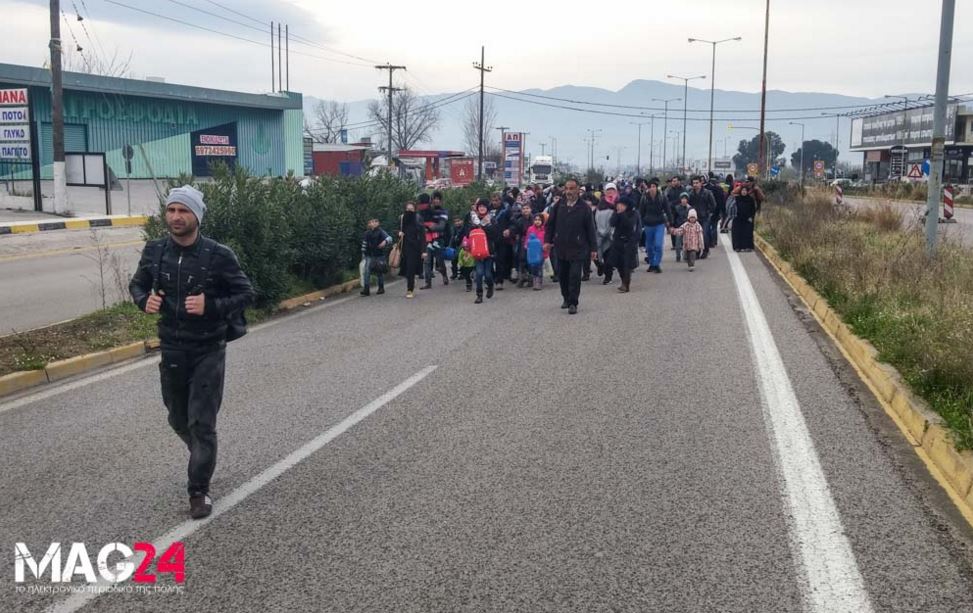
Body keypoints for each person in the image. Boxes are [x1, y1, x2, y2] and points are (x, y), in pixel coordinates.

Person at [129, 185, 255, 520]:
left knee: (201, 423)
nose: (176, 217)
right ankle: (202, 452)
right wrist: (145, 301)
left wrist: (209, 305)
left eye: (183, 211)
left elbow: (245, 293)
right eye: (171, 210)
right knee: (176, 417)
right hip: (172, 346)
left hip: (208, 349)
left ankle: (198, 490)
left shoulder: (218, 255)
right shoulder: (155, 251)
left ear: (196, 216)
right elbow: (137, 284)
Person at [545, 178, 598, 315]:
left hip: (578, 248)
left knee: (574, 276)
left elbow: (591, 229)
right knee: (563, 275)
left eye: (572, 189)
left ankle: (573, 302)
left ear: (577, 190)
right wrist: (547, 241)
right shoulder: (558, 206)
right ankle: (566, 298)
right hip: (561, 247)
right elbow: (550, 225)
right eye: (567, 189)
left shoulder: (584, 208)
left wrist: (593, 249)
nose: (568, 191)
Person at [470, 199, 500, 304]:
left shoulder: (492, 219)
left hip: (489, 250)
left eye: (484, 206)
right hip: (477, 250)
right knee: (479, 273)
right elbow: (468, 232)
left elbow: (496, 234)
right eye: (480, 206)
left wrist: (486, 226)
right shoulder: (474, 219)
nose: (482, 208)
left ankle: (490, 285)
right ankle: (479, 294)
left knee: (487, 274)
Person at [639, 177, 670, 273]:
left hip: (659, 224)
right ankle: (652, 264)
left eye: (654, 186)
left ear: (657, 187)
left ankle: (656, 264)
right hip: (648, 224)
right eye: (650, 187)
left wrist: (670, 223)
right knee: (649, 247)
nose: (652, 188)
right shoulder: (644, 198)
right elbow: (641, 212)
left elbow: (667, 210)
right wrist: (641, 224)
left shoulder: (662, 197)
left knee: (658, 245)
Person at [609, 197, 640, 293]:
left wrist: (622, 214)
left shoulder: (633, 214)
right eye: (618, 204)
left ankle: (626, 284)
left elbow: (630, 225)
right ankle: (623, 280)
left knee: (627, 264)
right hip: (618, 240)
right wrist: (617, 214)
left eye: (622, 205)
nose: (619, 206)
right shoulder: (616, 213)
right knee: (619, 264)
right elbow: (612, 223)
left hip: (629, 241)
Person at [418, 192, 449, 289]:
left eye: (438, 199)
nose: (435, 201)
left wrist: (429, 228)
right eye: (434, 199)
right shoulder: (424, 211)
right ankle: (428, 283)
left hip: (437, 239)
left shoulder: (443, 212)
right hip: (426, 240)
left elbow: (441, 226)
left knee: (439, 260)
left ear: (441, 200)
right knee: (426, 261)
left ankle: (444, 275)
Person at [398, 201, 426, 298]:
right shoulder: (402, 218)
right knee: (406, 268)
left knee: (411, 268)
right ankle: (411, 280)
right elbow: (399, 229)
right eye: (407, 209)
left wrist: (424, 250)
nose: (409, 211)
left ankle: (410, 290)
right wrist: (399, 233)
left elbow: (423, 235)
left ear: (415, 209)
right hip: (405, 247)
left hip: (415, 247)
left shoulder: (418, 218)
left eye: (411, 209)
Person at [687, 176, 716, 259]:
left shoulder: (707, 193)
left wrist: (709, 212)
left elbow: (713, 204)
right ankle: (697, 251)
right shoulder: (690, 193)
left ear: (701, 183)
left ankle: (706, 250)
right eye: (694, 183)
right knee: (694, 235)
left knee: (704, 234)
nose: (695, 185)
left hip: (705, 217)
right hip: (694, 217)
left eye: (697, 183)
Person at [360, 218, 391, 296]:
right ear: (369, 224)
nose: (373, 223)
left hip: (379, 255)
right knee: (367, 271)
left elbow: (390, 238)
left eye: (375, 222)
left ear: (378, 223)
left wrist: (385, 241)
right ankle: (366, 289)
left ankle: (381, 288)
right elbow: (364, 244)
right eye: (371, 222)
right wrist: (363, 255)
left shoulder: (381, 231)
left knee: (379, 271)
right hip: (369, 255)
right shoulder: (366, 233)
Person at [595, 183, 617, 283]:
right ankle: (601, 267)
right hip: (600, 234)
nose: (610, 192)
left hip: (613, 235)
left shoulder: (618, 203)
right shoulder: (601, 204)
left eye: (612, 190)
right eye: (608, 190)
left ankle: (608, 277)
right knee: (599, 256)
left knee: (609, 257)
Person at [731, 184, 758, 252]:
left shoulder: (750, 199)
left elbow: (753, 210)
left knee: (747, 233)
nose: (744, 192)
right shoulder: (737, 198)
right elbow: (732, 193)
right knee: (737, 233)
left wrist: (751, 217)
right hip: (738, 218)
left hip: (747, 219)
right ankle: (737, 247)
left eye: (745, 190)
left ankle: (747, 247)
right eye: (742, 190)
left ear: (747, 191)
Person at [524, 213, 547, 290]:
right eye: (536, 220)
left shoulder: (545, 229)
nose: (537, 221)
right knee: (533, 266)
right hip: (533, 252)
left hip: (542, 251)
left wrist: (547, 246)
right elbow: (527, 238)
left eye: (539, 220)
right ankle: (535, 278)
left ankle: (538, 281)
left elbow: (547, 239)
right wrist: (526, 245)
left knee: (539, 266)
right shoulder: (530, 229)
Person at [671, 193, 691, 263]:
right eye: (682, 199)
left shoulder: (690, 208)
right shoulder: (676, 208)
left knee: (687, 243)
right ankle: (678, 255)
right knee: (678, 243)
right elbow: (674, 217)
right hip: (679, 227)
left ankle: (685, 256)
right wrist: (673, 225)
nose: (684, 200)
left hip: (687, 227)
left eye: (685, 199)